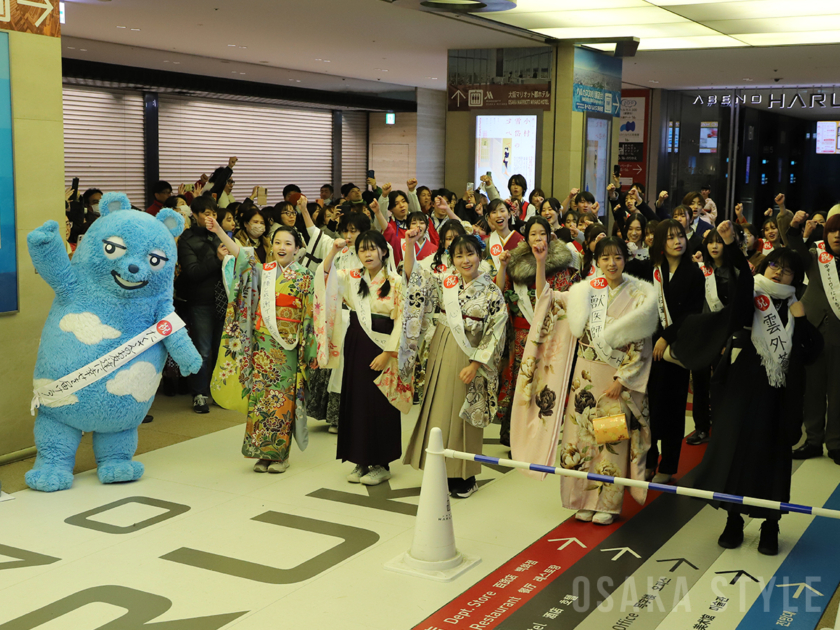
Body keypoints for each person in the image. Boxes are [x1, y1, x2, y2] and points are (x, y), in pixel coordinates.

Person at [679, 223, 821, 555]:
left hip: (780, 396)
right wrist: (732, 247)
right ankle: (734, 520)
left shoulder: (794, 308)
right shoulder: (752, 295)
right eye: (774, 265)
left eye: (787, 271)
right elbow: (739, 288)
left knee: (773, 460)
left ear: (795, 279)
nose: (779, 273)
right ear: (763, 266)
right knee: (736, 454)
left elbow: (813, 352)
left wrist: (800, 319)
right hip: (743, 387)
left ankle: (771, 525)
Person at [540, 236, 658, 524]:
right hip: (585, 374)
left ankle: (607, 504)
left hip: (614, 377)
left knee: (610, 441)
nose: (611, 263)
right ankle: (582, 499)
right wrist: (541, 263)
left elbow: (642, 343)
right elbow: (551, 300)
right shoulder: (586, 290)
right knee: (579, 439)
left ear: (625, 260)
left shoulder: (639, 295)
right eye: (605, 258)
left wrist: (622, 379)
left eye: (617, 257)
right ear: (597, 262)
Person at [400, 230, 507, 498]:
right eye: (458, 255)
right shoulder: (445, 281)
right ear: (452, 259)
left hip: (471, 353)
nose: (465, 260)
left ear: (480, 256)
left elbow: (496, 331)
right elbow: (414, 277)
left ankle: (465, 475)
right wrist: (410, 245)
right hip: (442, 344)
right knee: (438, 407)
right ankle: (438, 470)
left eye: (470, 254)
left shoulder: (492, 292)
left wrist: (476, 364)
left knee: (464, 411)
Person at [206, 215, 317, 473]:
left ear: (297, 249)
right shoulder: (264, 271)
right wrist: (221, 232)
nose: (281, 247)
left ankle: (279, 455)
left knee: (282, 399)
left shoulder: (305, 277)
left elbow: (309, 315)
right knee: (260, 399)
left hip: (288, 346)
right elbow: (241, 255)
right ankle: (261, 452)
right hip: (262, 346)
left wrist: (306, 348)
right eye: (277, 242)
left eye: (288, 243)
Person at [316, 230, 410, 485]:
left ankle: (382, 462)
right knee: (357, 400)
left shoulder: (396, 281)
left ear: (383, 251)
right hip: (357, 342)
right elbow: (325, 278)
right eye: (362, 250)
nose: (367, 254)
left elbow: (403, 320)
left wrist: (389, 353)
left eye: (372, 249)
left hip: (383, 346)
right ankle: (360, 459)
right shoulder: (352, 277)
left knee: (381, 404)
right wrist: (334, 251)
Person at [494, 216, 579, 447]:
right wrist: (502, 266)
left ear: (550, 237)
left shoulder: (563, 266)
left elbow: (566, 302)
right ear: (526, 237)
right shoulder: (515, 263)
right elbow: (500, 291)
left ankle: (539, 437)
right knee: (521, 385)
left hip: (550, 336)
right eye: (533, 234)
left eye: (542, 233)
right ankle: (512, 436)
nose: (537, 238)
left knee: (544, 385)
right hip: (522, 336)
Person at [642, 219, 705, 483]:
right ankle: (647, 459)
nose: (677, 241)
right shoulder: (652, 271)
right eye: (670, 237)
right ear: (660, 242)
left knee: (672, 407)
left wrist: (666, 337)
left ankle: (668, 465)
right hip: (649, 347)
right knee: (647, 406)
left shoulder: (694, 273)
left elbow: (691, 313)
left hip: (675, 348)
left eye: (680, 236)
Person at [787, 211, 840, 464]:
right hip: (814, 333)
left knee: (838, 392)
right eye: (832, 230)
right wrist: (795, 227)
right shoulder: (817, 257)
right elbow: (795, 248)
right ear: (825, 234)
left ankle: (836, 443)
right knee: (814, 389)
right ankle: (813, 441)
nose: (837, 235)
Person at [685, 228, 741, 446]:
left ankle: (722, 427)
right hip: (701, 334)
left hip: (725, 336)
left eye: (719, 242)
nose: (715, 246)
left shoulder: (736, 272)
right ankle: (701, 427)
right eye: (711, 242)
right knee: (700, 384)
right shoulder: (699, 270)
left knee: (722, 384)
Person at [176, 196, 225, 413]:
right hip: (200, 301)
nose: (211, 217)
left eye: (214, 213)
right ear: (194, 215)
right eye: (206, 213)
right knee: (203, 350)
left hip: (224, 300)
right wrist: (216, 258)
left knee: (221, 348)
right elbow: (192, 272)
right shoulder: (186, 239)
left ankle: (218, 392)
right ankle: (199, 394)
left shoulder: (221, 235)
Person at [484, 198, 524, 275]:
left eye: (502, 211)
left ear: (509, 214)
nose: (498, 215)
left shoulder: (521, 241)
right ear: (489, 218)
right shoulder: (486, 243)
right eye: (494, 212)